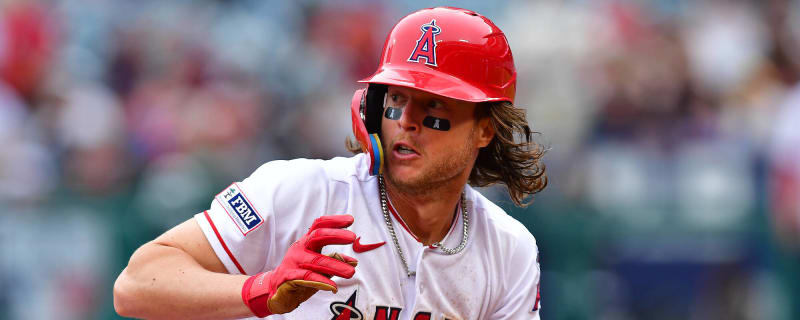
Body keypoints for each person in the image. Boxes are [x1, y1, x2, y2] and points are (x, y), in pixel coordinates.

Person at [113, 6, 547, 319]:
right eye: (396, 100)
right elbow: (136, 284)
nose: (407, 123)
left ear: (485, 130)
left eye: (434, 107)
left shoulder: (509, 249)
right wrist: (262, 289)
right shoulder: (303, 191)